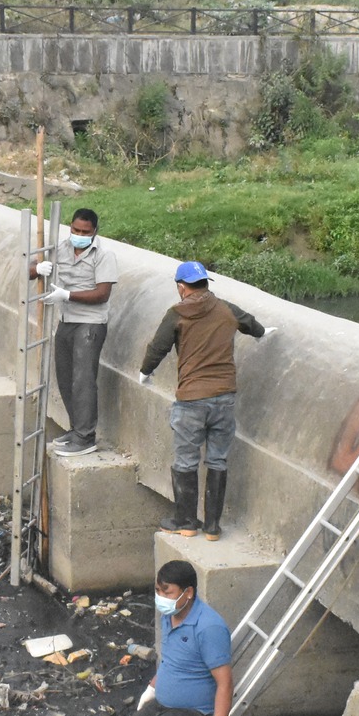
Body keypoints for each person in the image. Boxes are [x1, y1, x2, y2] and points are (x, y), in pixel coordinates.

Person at [137, 262, 267, 540]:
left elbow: (158, 347)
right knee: (218, 460)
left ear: (181, 287)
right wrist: (262, 334)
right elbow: (253, 325)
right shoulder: (225, 308)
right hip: (224, 398)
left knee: (186, 460)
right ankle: (212, 528)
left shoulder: (176, 314)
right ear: (206, 284)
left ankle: (185, 523)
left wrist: (145, 372)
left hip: (192, 400)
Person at [98, 560, 231, 716]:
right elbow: (172, 660)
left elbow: (225, 683)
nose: (161, 598)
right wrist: (152, 686)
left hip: (193, 711)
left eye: (167, 592)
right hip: (164, 702)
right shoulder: (169, 617)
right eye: (158, 590)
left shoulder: (209, 628)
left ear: (188, 592)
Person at [32, 207, 119, 457]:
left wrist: (67, 295)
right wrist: (37, 269)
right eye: (75, 230)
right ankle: (76, 428)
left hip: (90, 323)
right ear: (70, 227)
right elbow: (29, 266)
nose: (79, 235)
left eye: (85, 232)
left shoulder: (103, 255)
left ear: (95, 232)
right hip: (66, 320)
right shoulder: (60, 248)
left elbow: (102, 293)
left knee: (83, 380)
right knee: (66, 376)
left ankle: (86, 436)